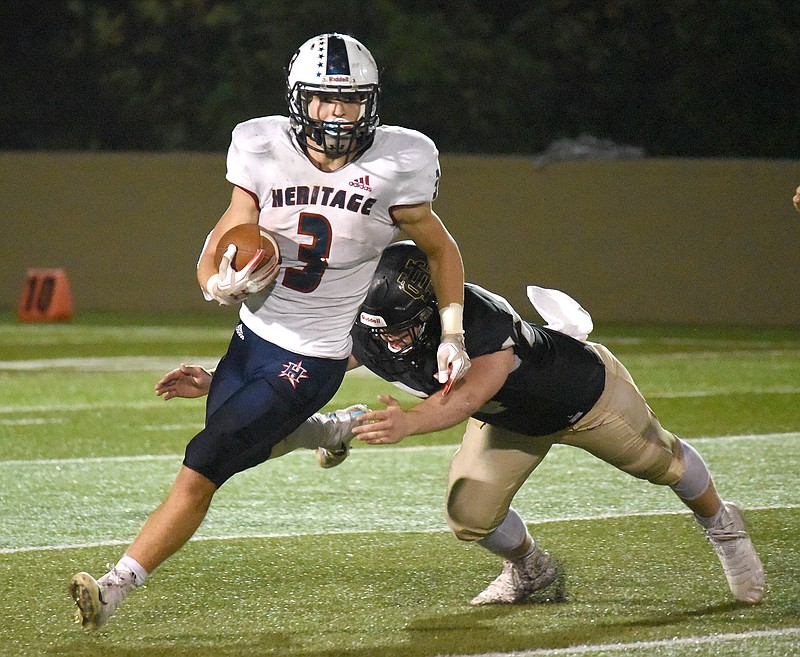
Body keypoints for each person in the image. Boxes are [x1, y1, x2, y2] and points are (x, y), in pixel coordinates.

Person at [69, 33, 470, 631]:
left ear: (372, 104)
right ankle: (326, 431)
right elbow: (229, 229)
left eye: (352, 101)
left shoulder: (398, 162)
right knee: (236, 442)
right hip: (252, 336)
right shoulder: (261, 145)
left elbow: (441, 250)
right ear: (297, 100)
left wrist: (453, 333)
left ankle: (113, 587)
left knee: (204, 461)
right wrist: (215, 285)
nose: (337, 115)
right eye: (324, 101)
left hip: (315, 355)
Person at [162, 242, 766, 608]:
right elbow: (307, 363)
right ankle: (531, 568)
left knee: (662, 464)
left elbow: (463, 397)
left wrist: (407, 424)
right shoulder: (370, 328)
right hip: (510, 421)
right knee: (468, 517)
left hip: (581, 399)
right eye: (380, 329)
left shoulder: (478, 322)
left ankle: (723, 526)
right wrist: (219, 379)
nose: (392, 340)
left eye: (403, 325)